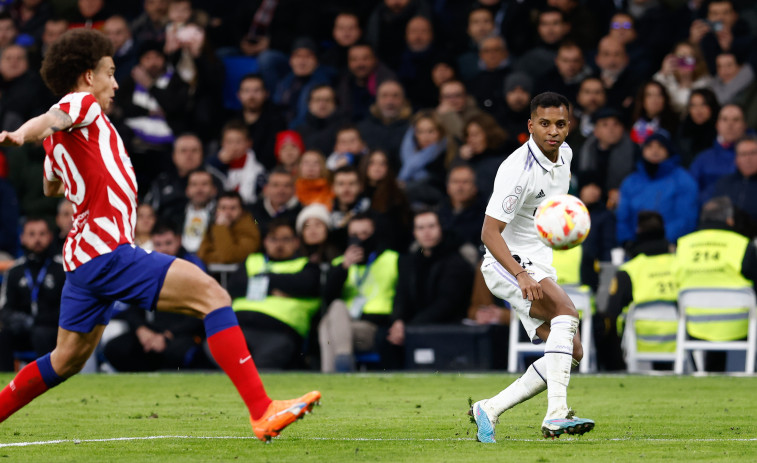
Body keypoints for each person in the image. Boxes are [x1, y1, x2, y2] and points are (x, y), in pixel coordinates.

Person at [0, 29, 319, 441]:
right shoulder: (80, 106)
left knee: (66, 360)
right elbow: (50, 120)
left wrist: (64, 156)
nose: (115, 83)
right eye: (109, 73)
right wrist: (21, 134)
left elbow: (50, 186)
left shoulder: (66, 140)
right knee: (214, 296)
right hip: (107, 251)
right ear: (85, 77)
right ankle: (262, 410)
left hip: (81, 259)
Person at [470, 92, 594, 443]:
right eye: (544, 124)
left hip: (538, 260)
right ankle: (556, 415)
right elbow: (489, 233)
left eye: (559, 124)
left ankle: (489, 409)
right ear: (530, 126)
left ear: (568, 126)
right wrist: (521, 274)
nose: (552, 131)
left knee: (572, 351)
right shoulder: (517, 170)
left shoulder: (566, 155)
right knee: (567, 314)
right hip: (506, 260)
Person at [227, 219, 321, 369]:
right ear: (265, 242)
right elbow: (235, 286)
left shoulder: (306, 265)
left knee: (263, 366)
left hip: (279, 331)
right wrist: (275, 288)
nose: (279, 244)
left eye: (285, 239)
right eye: (273, 239)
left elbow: (306, 285)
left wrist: (261, 280)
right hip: (239, 327)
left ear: (296, 242)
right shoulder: (253, 260)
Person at [674, 196, 755, 371]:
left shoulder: (683, 245)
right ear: (729, 219)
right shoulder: (742, 245)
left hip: (695, 323)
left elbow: (676, 282)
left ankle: (705, 372)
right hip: (739, 324)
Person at [319, 213, 399, 372]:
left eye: (365, 234)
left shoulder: (391, 259)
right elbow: (328, 298)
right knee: (336, 306)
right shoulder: (339, 264)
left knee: (326, 326)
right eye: (354, 235)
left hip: (372, 328)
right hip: (344, 325)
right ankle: (343, 361)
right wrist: (344, 267)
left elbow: (403, 296)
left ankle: (330, 375)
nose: (360, 239)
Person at [387, 209, 474, 350]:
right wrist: (398, 322)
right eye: (420, 228)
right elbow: (401, 297)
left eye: (431, 226)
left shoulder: (456, 261)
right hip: (413, 326)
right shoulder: (408, 262)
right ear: (414, 233)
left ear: (441, 228)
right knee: (384, 338)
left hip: (447, 328)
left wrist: (410, 327)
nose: (426, 232)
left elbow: (447, 303)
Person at [599, 211, 675, 371]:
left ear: (638, 232)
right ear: (663, 232)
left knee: (606, 320)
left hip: (640, 337)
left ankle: (617, 370)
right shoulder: (679, 264)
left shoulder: (630, 270)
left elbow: (612, 311)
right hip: (677, 336)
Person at [0, 218, 64, 371]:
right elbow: (5, 308)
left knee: (41, 334)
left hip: (52, 331)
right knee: (3, 336)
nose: (37, 239)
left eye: (42, 234)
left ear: (50, 237)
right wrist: (18, 319)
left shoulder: (61, 269)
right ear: (22, 238)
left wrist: (38, 321)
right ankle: (6, 386)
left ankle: (47, 380)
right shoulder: (14, 271)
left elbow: (68, 308)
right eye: (31, 234)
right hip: (23, 329)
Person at [616, 131, 699, 246]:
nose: (655, 151)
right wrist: (628, 241)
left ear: (668, 150)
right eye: (650, 146)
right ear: (643, 150)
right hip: (635, 248)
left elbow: (686, 218)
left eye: (660, 146)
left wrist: (659, 240)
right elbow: (623, 218)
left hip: (670, 248)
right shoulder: (630, 182)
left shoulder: (683, 180)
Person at [711, 135, 757, 237]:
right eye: (743, 154)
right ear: (736, 159)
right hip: (726, 238)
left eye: (753, 153)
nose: (748, 158)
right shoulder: (723, 183)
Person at [197, 191, 260, 265]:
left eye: (233, 208)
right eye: (223, 208)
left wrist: (221, 227)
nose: (227, 213)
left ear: (242, 211)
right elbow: (202, 255)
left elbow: (228, 257)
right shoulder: (214, 226)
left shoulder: (250, 228)